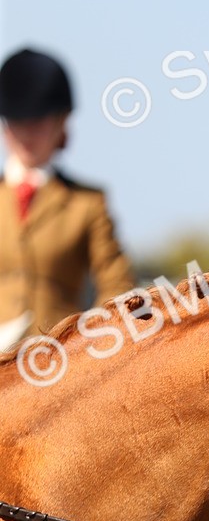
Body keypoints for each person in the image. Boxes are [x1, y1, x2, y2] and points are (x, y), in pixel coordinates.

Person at [0, 47, 134, 351]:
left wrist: (91, 341)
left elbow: (117, 284)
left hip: (59, 359)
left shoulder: (87, 203)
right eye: (18, 122)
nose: (27, 133)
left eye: (39, 121)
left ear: (61, 123)